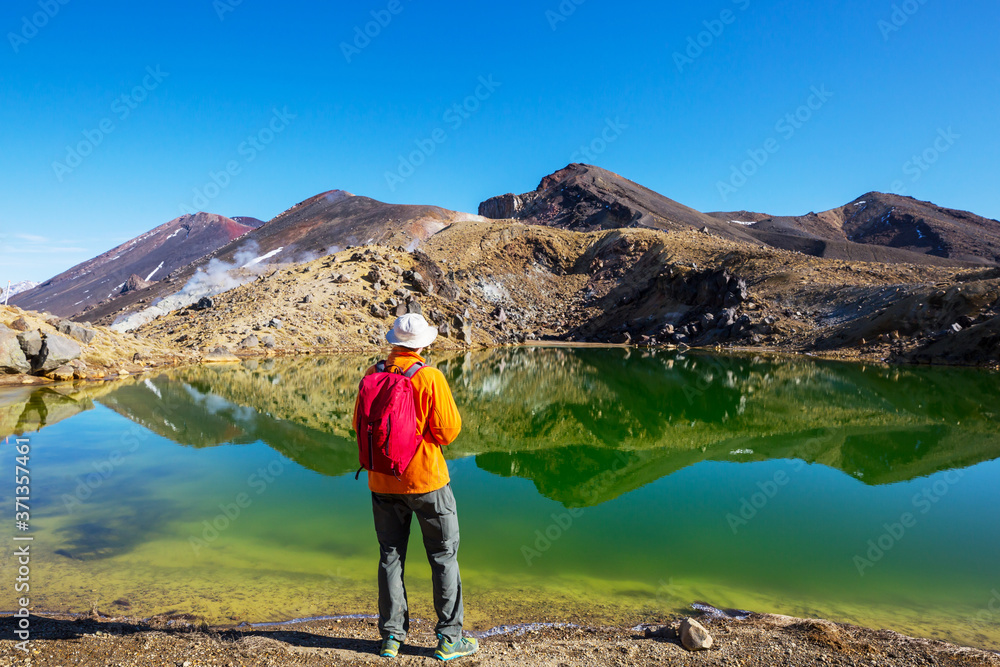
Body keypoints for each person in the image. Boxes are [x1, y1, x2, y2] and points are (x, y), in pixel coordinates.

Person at [353, 313, 479, 661]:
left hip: (381, 482)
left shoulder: (372, 375)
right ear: (422, 344)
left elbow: (358, 425)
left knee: (390, 556)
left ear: (393, 343)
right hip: (426, 482)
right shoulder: (429, 377)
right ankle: (450, 639)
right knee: (443, 556)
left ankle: (392, 638)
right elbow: (448, 432)